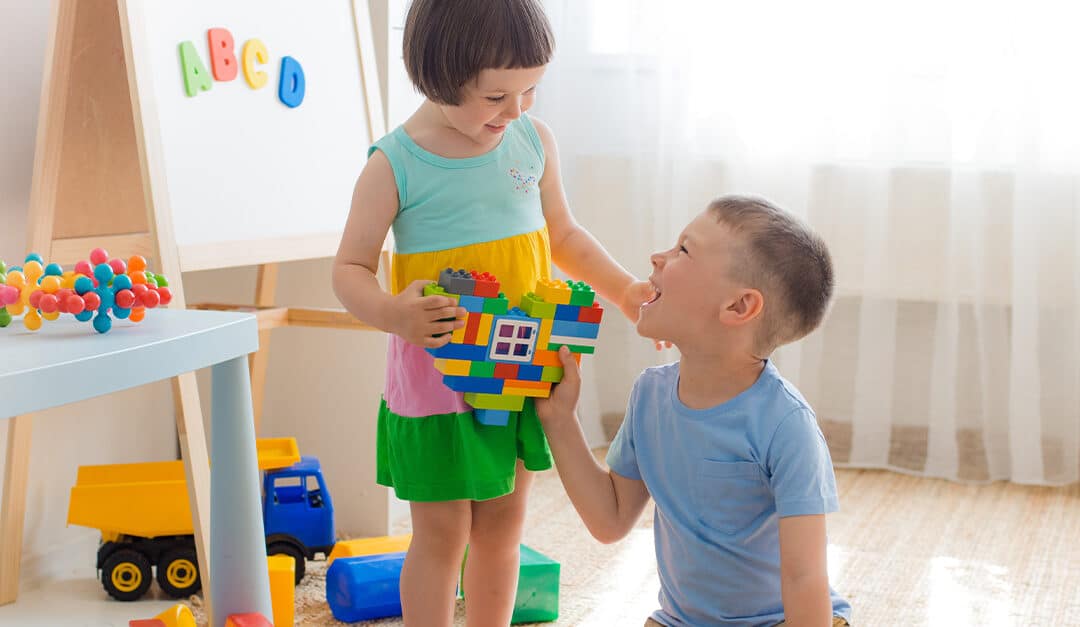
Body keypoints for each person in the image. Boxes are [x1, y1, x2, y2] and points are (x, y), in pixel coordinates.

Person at [331, 0, 651, 624]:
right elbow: (349, 269)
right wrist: (394, 314)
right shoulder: (393, 163)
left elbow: (565, 237)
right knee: (443, 534)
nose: (516, 111)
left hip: (519, 370)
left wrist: (625, 289)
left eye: (530, 90)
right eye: (496, 96)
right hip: (439, 384)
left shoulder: (531, 140)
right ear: (436, 76)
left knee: (503, 528)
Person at [536, 195, 853, 626]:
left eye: (683, 250)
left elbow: (805, 578)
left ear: (738, 307)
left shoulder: (787, 425)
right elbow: (608, 520)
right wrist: (560, 420)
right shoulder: (650, 396)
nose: (657, 257)